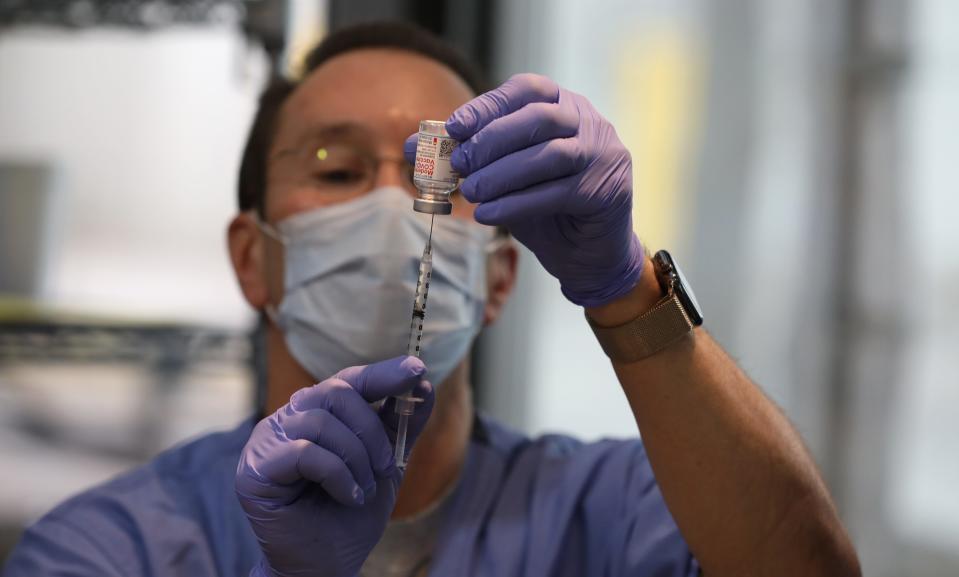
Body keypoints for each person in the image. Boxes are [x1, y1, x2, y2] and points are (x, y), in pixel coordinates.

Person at [3, 21, 861, 577]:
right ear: (250, 258)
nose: (388, 205)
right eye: (335, 169)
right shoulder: (115, 548)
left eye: (438, 178)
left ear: (499, 274)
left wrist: (628, 290)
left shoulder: (618, 509)